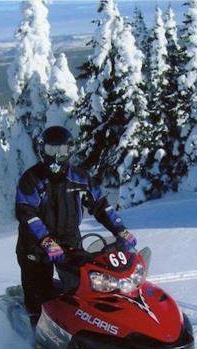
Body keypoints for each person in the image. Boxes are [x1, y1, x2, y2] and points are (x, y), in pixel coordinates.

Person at [15, 125, 137, 325]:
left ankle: (88, 330)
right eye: (51, 150)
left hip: (69, 241)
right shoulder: (31, 179)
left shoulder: (80, 178)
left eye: (61, 150)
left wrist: (119, 229)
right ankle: (36, 334)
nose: (56, 156)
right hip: (35, 246)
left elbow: (101, 206)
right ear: (42, 150)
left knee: (87, 288)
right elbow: (26, 213)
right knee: (38, 297)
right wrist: (45, 240)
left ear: (70, 150)